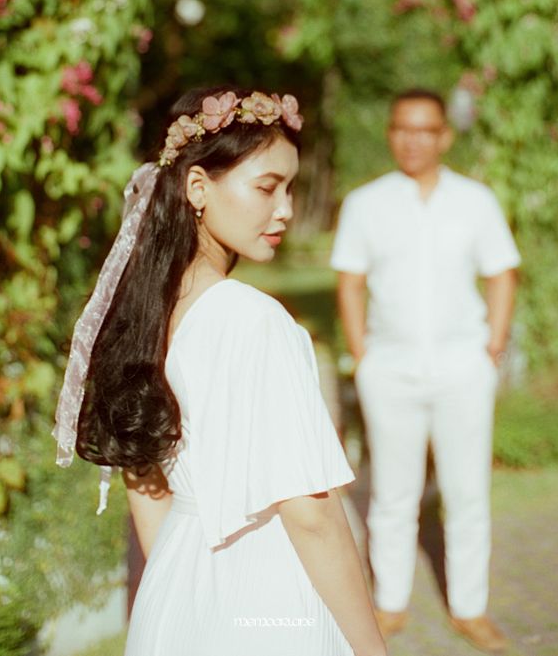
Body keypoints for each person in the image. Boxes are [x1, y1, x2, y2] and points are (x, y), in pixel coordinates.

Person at [53, 86, 386, 656]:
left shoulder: (142, 317)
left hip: (173, 592)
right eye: (265, 187)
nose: (283, 208)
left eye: (289, 188)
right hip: (268, 597)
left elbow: (145, 483)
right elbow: (311, 515)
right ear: (198, 187)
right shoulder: (255, 321)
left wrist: (180, 602)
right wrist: (372, 648)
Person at [330, 88, 520, 654]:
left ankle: (469, 609)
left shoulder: (475, 201)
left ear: (444, 136)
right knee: (392, 492)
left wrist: (492, 348)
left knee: (467, 492)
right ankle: (389, 603)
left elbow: (502, 272)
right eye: (401, 129)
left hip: (464, 365)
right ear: (390, 134)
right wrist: (364, 357)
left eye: (424, 130)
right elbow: (350, 281)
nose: (412, 140)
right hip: (390, 368)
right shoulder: (366, 203)